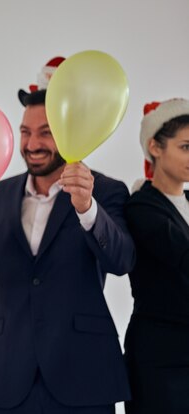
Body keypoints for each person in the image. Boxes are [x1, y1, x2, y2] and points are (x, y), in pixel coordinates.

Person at [0, 56, 135, 414]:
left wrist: (87, 208)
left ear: (69, 129)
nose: (32, 144)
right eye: (26, 132)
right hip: (9, 377)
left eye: (45, 131)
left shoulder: (106, 190)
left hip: (84, 374)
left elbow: (122, 261)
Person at [123, 98, 189, 414]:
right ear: (155, 147)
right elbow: (183, 255)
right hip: (160, 361)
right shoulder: (141, 206)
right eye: (186, 147)